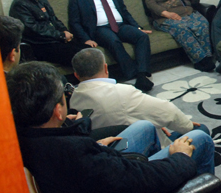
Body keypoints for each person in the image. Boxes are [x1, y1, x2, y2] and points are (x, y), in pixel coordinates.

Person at [7, 61, 215, 193]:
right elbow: (147, 177)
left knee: (145, 126)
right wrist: (180, 156)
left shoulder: (19, 137)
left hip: (91, 171)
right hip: (122, 190)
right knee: (200, 138)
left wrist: (91, 141)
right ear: (57, 111)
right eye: (64, 94)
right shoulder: (77, 153)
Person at [70, 48, 209, 147]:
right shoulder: (121, 92)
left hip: (107, 148)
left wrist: (155, 125)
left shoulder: (73, 99)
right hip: (138, 149)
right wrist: (188, 127)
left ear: (76, 75)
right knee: (201, 131)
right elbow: (167, 111)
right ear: (106, 68)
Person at [68, 0, 154, 92]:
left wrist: (137, 27)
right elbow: (74, 22)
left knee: (141, 36)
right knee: (113, 41)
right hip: (100, 29)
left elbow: (124, 11)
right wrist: (86, 39)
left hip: (120, 25)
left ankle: (142, 74)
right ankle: (133, 73)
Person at [145, 0, 214, 72]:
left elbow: (195, 1)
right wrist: (167, 13)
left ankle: (208, 56)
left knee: (203, 23)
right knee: (182, 28)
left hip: (188, 13)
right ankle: (200, 61)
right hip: (165, 18)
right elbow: (150, 2)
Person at [9, 0, 89, 66]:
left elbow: (54, 19)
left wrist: (64, 31)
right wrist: (61, 35)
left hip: (54, 39)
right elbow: (34, 30)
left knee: (88, 50)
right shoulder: (19, 5)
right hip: (39, 45)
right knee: (81, 57)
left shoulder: (41, 0)